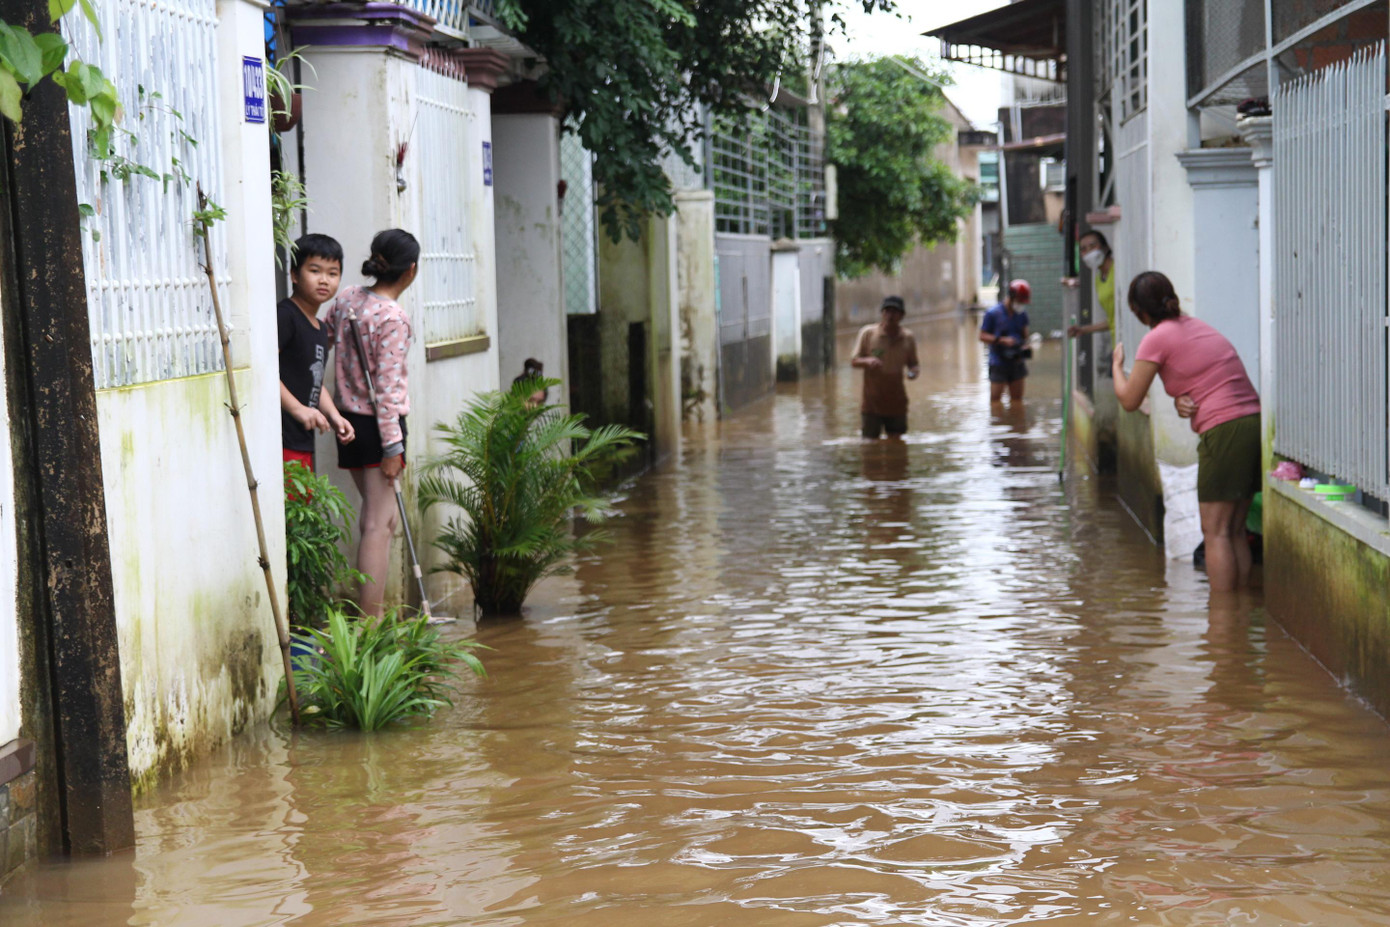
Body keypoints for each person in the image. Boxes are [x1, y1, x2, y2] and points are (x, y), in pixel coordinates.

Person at [1112, 271, 1261, 593]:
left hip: (1224, 432)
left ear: (1140, 311)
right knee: (1234, 530)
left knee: (1216, 533)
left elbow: (1129, 399)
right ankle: (1239, 617)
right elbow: (1201, 376)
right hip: (1251, 424)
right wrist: (1181, 400)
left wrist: (1116, 365)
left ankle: (1221, 623)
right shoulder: (1193, 326)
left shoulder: (1157, 337)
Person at [325, 229, 420, 618]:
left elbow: (324, 342)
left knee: (380, 519)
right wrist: (394, 447)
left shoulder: (347, 298)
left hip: (347, 424)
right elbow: (386, 391)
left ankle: (370, 616)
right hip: (381, 429)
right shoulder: (393, 318)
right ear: (410, 271)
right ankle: (371, 621)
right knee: (378, 526)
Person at [279, 233, 355, 466]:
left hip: (303, 438)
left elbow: (314, 379)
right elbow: (264, 370)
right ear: (294, 275)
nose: (324, 280)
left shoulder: (320, 328)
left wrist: (334, 416)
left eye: (332, 273)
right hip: (281, 437)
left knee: (304, 501)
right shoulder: (285, 315)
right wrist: (298, 409)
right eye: (315, 271)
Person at [850, 295, 920, 439]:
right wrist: (868, 361)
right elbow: (854, 361)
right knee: (869, 446)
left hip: (897, 402)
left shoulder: (908, 338)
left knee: (897, 445)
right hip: (871, 403)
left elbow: (914, 364)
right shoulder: (868, 334)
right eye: (887, 311)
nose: (890, 315)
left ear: (901, 315)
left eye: (894, 311)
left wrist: (913, 373)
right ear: (882, 313)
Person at [979, 279, 1032, 403]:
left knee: (1017, 401)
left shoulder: (1022, 314)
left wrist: (1025, 346)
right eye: (1019, 301)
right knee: (996, 401)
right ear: (1012, 297)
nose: (1020, 304)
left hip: (1017, 362)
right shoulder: (992, 314)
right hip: (998, 362)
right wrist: (1001, 340)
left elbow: (1025, 335)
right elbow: (982, 336)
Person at [1067, 230, 1116, 354]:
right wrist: (1084, 330)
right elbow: (1112, 320)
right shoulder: (1099, 279)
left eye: (1093, 246)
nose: (1088, 251)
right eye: (1083, 249)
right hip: (1117, 345)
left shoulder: (1118, 272)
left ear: (1105, 248)